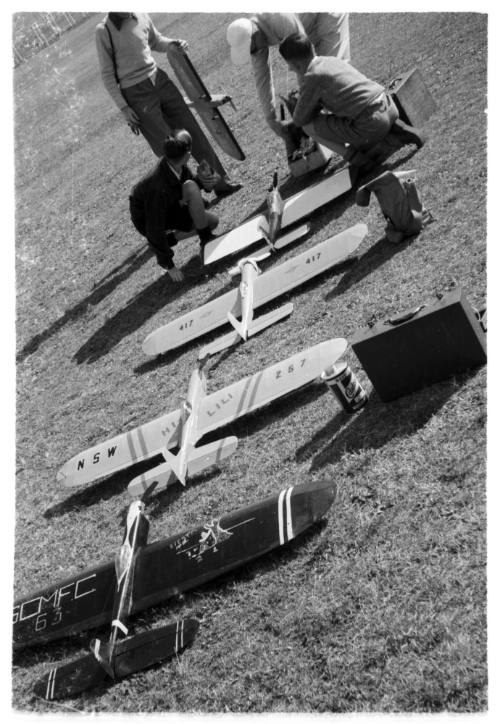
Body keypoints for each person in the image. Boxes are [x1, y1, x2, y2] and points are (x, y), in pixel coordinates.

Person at [96, 12, 241, 198]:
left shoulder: (140, 14)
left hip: (160, 80)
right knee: (169, 149)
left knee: (192, 131)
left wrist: (174, 43)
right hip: (135, 93)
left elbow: (155, 41)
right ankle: (189, 198)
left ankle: (220, 182)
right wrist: (124, 108)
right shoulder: (103, 30)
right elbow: (107, 75)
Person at [278, 32, 426, 170]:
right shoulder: (330, 60)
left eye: (290, 65)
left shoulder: (310, 77)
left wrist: (296, 103)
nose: (290, 69)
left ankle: (357, 160)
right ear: (311, 48)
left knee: (308, 127)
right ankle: (398, 128)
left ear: (295, 64)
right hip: (389, 106)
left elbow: (299, 120)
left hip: (371, 123)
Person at [226, 13, 350, 139]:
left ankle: (359, 129)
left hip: (327, 14)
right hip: (308, 25)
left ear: (255, 35)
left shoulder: (279, 18)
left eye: (253, 49)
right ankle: (341, 132)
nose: (255, 52)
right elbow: (261, 77)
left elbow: (304, 59)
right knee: (323, 86)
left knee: (333, 75)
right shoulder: (255, 42)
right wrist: (271, 118)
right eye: (252, 51)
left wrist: (304, 104)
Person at [129, 130, 218, 283]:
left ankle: (170, 238)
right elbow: (153, 228)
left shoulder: (176, 165)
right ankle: (206, 239)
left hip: (169, 209)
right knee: (191, 189)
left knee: (212, 221)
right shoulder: (156, 187)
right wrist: (169, 265)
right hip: (150, 220)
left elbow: (182, 189)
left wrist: (205, 180)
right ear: (187, 155)